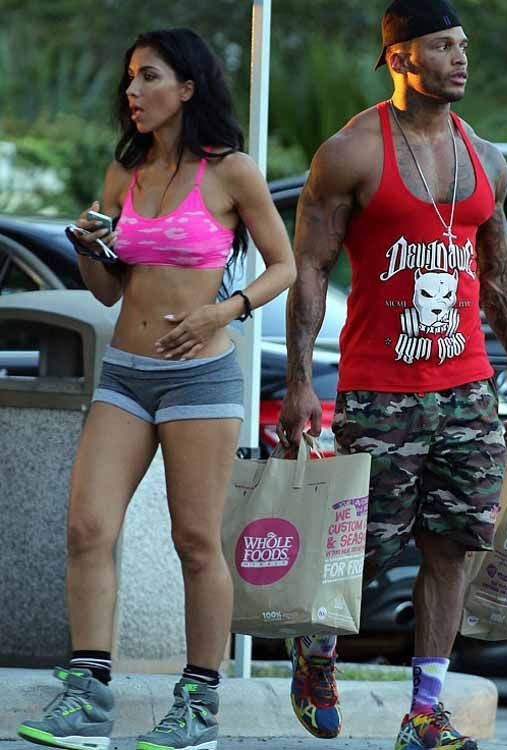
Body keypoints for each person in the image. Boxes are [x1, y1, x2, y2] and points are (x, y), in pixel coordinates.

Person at [17, 27, 295, 750]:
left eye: (148, 77)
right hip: (125, 373)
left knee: (196, 541)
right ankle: (87, 699)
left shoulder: (232, 172)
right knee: (87, 529)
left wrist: (224, 310)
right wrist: (89, 249)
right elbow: (108, 292)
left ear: (187, 87)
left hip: (200, 377)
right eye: (130, 78)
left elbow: (285, 265)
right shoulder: (125, 171)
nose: (132, 91)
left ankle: (198, 705)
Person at [277, 2, 507, 749]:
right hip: (379, 387)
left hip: (466, 386)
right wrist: (299, 382)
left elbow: (501, 273)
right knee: (365, 548)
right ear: (400, 59)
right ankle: (316, 646)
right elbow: (310, 268)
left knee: (453, 545)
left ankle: (425, 711)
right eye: (443, 46)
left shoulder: (485, 157)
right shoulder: (350, 152)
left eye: (464, 45)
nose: (461, 59)